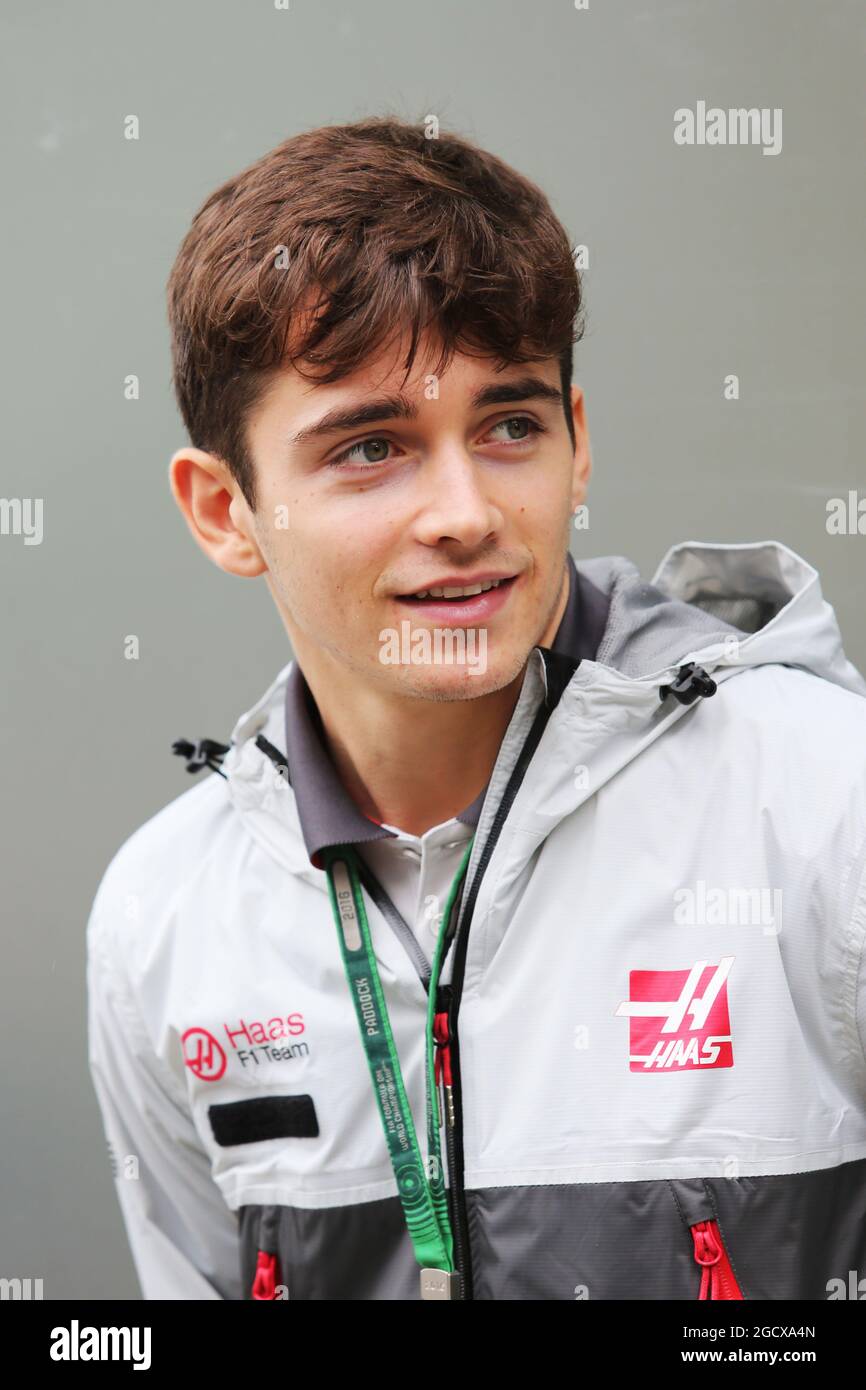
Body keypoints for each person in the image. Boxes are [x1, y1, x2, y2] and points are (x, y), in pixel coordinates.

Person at [87, 115, 866, 1301]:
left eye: (508, 426)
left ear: (578, 444)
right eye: (369, 448)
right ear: (223, 510)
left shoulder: (825, 802)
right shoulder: (163, 919)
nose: (462, 511)